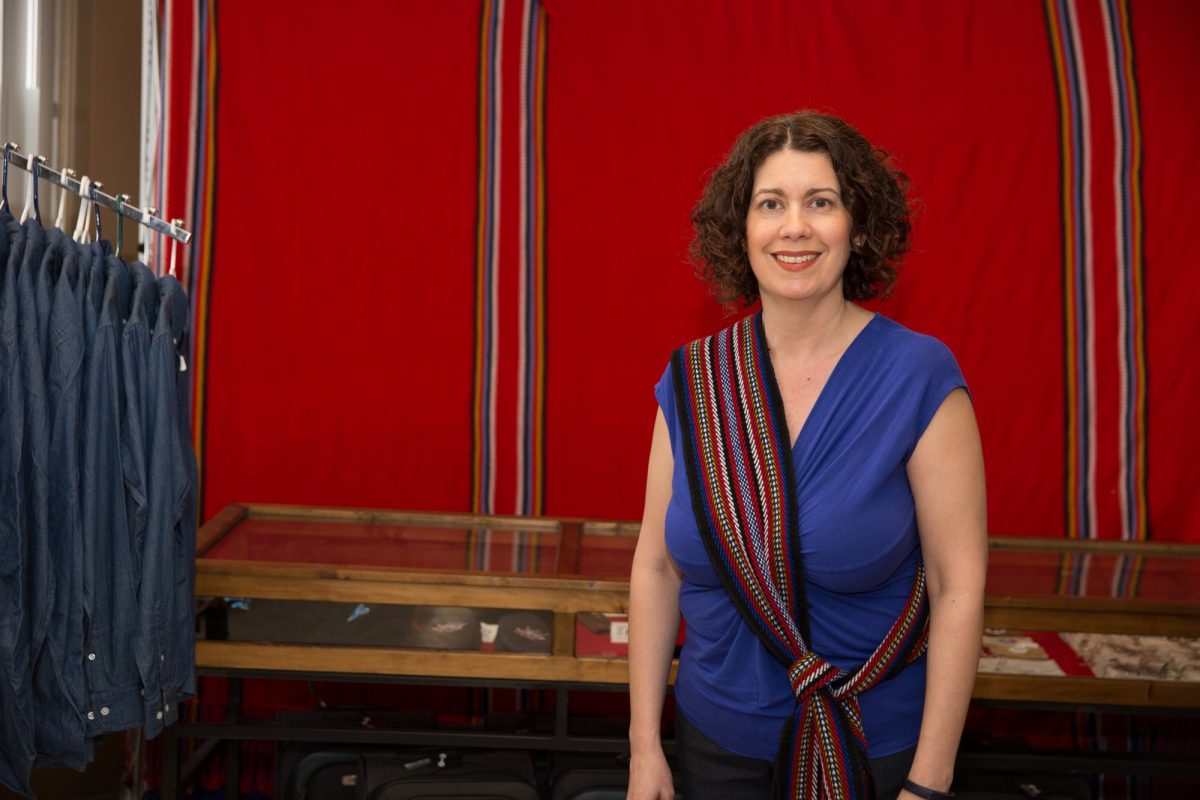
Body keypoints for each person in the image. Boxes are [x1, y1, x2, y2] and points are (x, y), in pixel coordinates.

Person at [627, 111, 987, 800]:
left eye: (820, 202)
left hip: (873, 751)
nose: (795, 227)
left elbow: (957, 587)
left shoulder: (918, 378)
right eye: (771, 204)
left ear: (857, 226)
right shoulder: (693, 380)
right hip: (712, 748)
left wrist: (929, 784)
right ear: (742, 228)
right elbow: (653, 566)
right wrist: (645, 746)